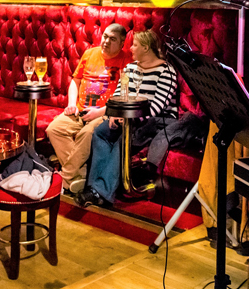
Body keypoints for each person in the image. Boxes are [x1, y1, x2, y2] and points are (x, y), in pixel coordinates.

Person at [75, 30, 178, 207]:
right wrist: (115, 113)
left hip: (158, 121)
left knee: (123, 138)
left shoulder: (166, 71)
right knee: (100, 132)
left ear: (146, 48)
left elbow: (157, 107)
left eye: (134, 45)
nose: (130, 48)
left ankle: (101, 192)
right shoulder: (131, 68)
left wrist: (128, 118)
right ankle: (94, 187)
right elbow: (118, 96)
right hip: (130, 118)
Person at [45, 23, 131, 194]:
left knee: (87, 134)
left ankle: (64, 177)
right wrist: (71, 104)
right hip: (79, 110)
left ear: (122, 43)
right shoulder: (90, 53)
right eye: (105, 36)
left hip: (105, 113)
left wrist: (100, 112)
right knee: (54, 129)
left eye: (112, 39)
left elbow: (124, 96)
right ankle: (80, 174)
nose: (105, 41)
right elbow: (75, 82)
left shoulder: (127, 62)